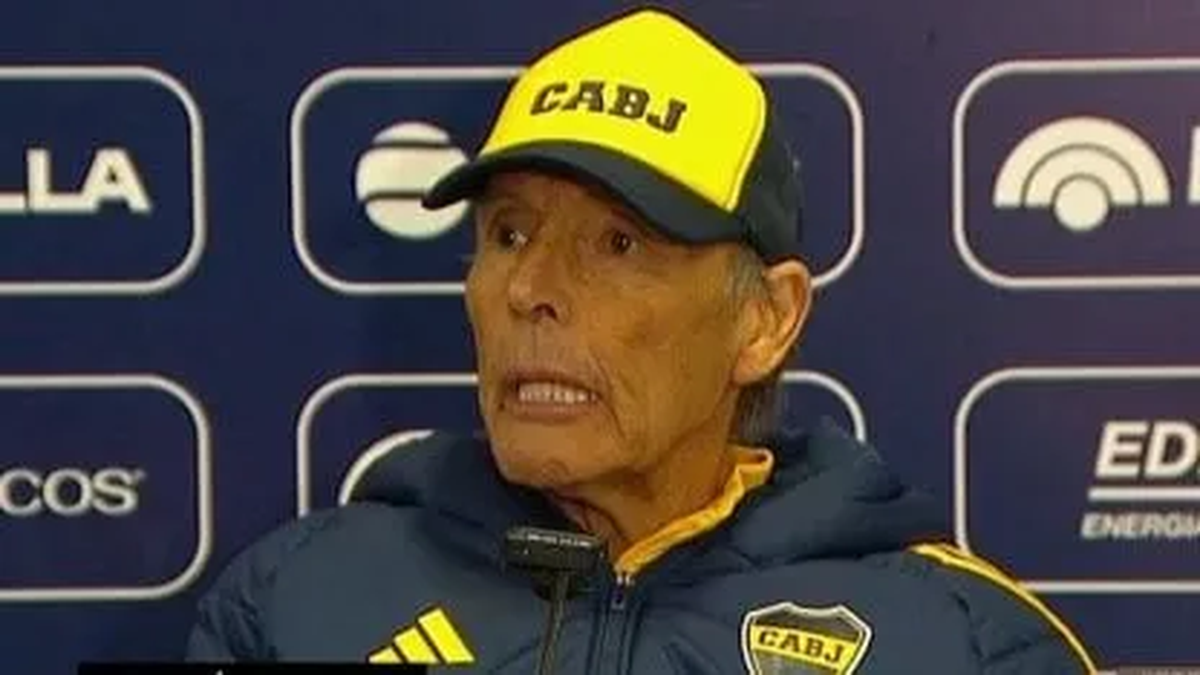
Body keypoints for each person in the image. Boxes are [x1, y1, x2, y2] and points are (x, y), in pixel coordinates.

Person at [185, 6, 1098, 673]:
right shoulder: (297, 602)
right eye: (509, 233)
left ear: (765, 319)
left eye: (618, 244)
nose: (530, 290)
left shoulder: (960, 641)